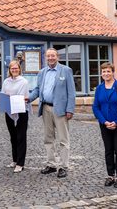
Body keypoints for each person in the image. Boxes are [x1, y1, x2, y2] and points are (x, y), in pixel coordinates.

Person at [29, 48, 76, 177]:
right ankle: (51, 164)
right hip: (45, 108)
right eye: (48, 56)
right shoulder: (42, 72)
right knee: (48, 138)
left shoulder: (66, 70)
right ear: (45, 57)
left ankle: (63, 166)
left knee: (63, 139)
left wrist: (70, 109)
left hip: (60, 109)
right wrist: (28, 98)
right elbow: (38, 89)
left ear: (57, 57)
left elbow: (71, 92)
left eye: (53, 56)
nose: (50, 58)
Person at [92, 62, 117, 188]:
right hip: (105, 124)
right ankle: (110, 175)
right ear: (101, 74)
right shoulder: (99, 88)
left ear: (113, 72)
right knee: (108, 150)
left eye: (108, 71)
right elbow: (96, 107)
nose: (106, 74)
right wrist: (104, 121)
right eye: (103, 71)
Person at [1, 60, 29, 173]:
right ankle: (14, 160)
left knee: (21, 137)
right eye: (12, 68)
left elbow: (21, 96)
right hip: (9, 112)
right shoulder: (6, 81)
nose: (14, 70)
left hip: (21, 111)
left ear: (19, 69)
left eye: (16, 68)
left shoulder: (24, 82)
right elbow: (3, 94)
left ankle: (20, 163)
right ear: (9, 70)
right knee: (13, 136)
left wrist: (11, 98)